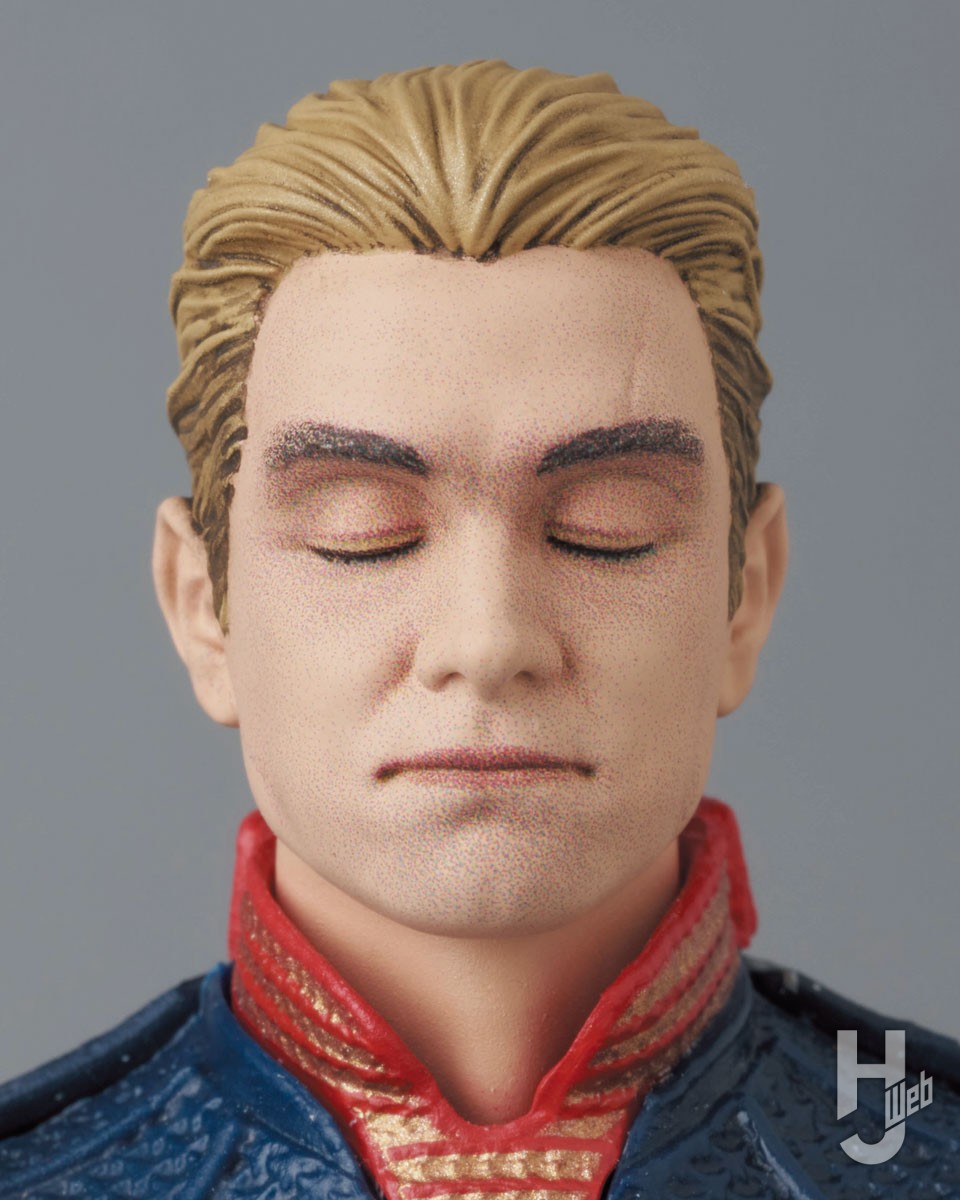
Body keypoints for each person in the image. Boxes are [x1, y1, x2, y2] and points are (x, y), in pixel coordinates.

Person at [1, 59, 957, 1198]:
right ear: (204, 602)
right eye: (364, 534)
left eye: (604, 530)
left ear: (743, 591)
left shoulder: (909, 1148)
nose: (488, 639)